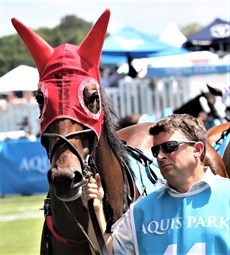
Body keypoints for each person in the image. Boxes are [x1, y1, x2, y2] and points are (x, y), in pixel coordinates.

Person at [82, 113, 230, 255]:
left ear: (197, 149)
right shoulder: (140, 209)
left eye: (170, 146)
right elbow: (108, 252)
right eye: (155, 150)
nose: (160, 156)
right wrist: (95, 208)